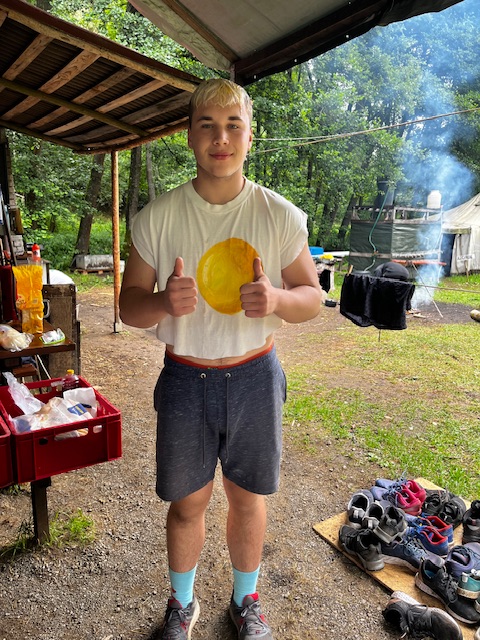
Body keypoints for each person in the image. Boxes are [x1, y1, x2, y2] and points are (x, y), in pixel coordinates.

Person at [119, 78, 323, 640]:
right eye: (207, 125)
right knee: (188, 504)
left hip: (255, 375)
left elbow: (312, 297)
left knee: (247, 499)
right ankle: (181, 606)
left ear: (250, 137)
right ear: (188, 135)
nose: (221, 138)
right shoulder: (158, 217)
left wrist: (277, 299)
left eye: (234, 126)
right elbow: (129, 305)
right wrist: (163, 301)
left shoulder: (279, 215)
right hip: (185, 377)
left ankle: (245, 601)